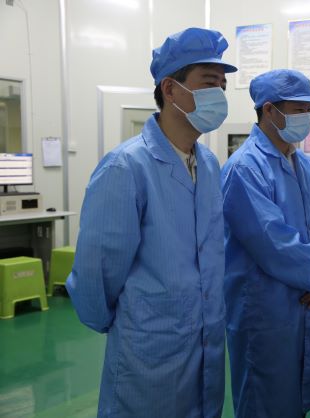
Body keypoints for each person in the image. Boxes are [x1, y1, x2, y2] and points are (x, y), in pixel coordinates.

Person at [66, 27, 237, 418]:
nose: (219, 94)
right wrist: (137, 322)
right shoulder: (126, 168)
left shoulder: (209, 165)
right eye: (209, 83)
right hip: (149, 349)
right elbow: (96, 271)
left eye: (223, 86)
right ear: (171, 89)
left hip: (206, 345)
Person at [221, 69, 310, 418]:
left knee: (297, 398)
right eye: (298, 109)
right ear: (269, 110)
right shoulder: (244, 168)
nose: (306, 116)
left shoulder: (309, 167)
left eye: (309, 109)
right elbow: (270, 239)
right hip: (264, 308)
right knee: (264, 400)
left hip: (307, 302)